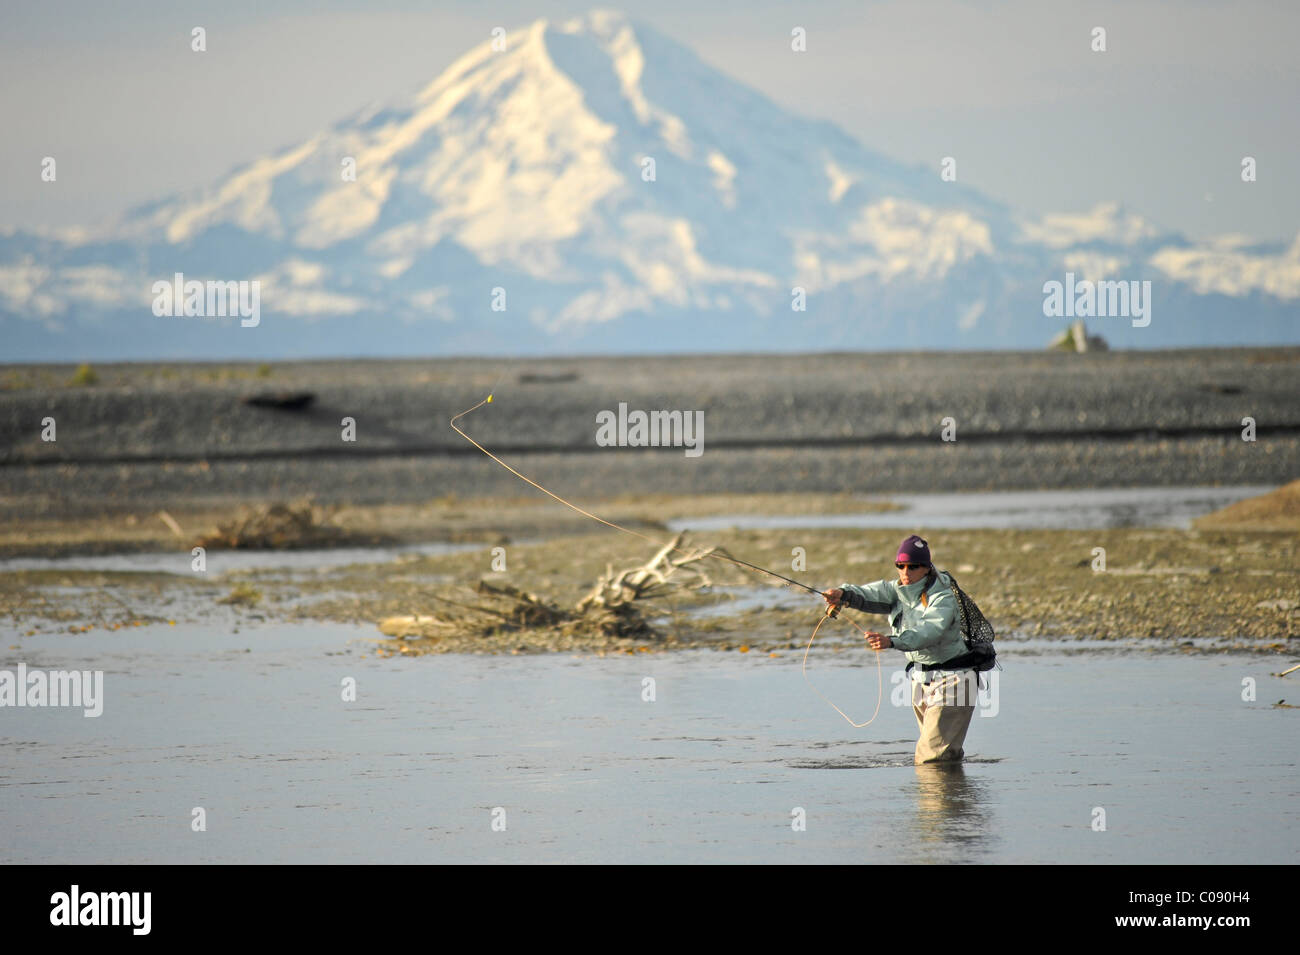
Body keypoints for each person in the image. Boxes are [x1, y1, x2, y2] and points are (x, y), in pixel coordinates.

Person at [823, 534, 979, 765]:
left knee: (930, 759)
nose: (906, 572)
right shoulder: (896, 591)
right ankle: (953, 799)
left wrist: (892, 641)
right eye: (900, 566)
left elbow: (929, 631)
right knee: (943, 758)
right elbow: (868, 595)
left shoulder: (943, 598)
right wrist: (843, 594)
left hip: (955, 681)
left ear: (926, 568)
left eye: (913, 566)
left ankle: (942, 800)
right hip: (921, 680)